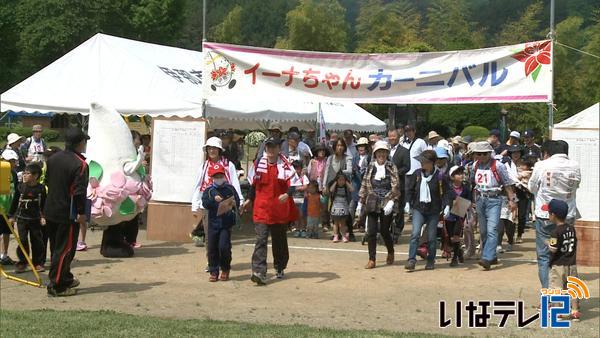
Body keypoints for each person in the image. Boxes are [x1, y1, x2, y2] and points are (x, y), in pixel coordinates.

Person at [243, 136, 298, 285]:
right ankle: (259, 271)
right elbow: (253, 185)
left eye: (273, 147)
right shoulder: (258, 164)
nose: (271, 150)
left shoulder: (285, 165)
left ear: (279, 148)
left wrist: (287, 194)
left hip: (279, 210)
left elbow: (293, 184)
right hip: (261, 208)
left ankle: (280, 266)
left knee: (279, 240)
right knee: (261, 239)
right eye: (268, 147)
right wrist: (249, 199)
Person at [529, 140, 580, 289]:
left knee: (545, 256)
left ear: (547, 152)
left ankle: (549, 297)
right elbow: (577, 185)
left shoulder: (541, 165)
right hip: (567, 216)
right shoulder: (575, 165)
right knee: (565, 256)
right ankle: (565, 295)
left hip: (546, 216)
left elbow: (532, 187)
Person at [45, 128, 90, 297]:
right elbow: (79, 191)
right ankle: (57, 286)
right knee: (64, 250)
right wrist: (81, 212)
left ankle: (64, 277)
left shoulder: (53, 158)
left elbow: (48, 180)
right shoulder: (80, 164)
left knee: (57, 248)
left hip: (51, 208)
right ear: (79, 143)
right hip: (67, 212)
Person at [470, 142, 517, 270]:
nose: (481, 156)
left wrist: (512, 200)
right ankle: (492, 256)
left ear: (489, 153)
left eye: (484, 153)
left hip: (494, 199)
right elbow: (472, 183)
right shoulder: (475, 166)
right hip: (480, 199)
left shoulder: (499, 166)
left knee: (492, 230)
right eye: (478, 154)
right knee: (483, 231)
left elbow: (507, 184)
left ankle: (486, 258)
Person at [191, 137, 244, 248]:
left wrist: (240, 201)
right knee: (210, 237)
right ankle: (211, 263)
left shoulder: (228, 166)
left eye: (214, 148)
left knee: (224, 236)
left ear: (219, 150)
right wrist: (195, 205)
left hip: (225, 205)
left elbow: (234, 183)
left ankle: (223, 261)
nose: (212, 151)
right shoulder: (203, 167)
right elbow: (198, 186)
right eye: (209, 148)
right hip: (208, 206)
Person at [356, 141, 399, 269]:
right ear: (375, 154)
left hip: (387, 200)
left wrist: (391, 201)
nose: (381, 154)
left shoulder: (391, 166)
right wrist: (360, 202)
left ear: (387, 153)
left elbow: (396, 185)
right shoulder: (370, 167)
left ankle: (390, 251)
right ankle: (372, 259)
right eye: (379, 152)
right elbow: (364, 183)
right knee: (371, 231)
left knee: (385, 230)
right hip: (372, 200)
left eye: (384, 152)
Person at [405, 150, 450, 271]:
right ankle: (411, 260)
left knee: (431, 237)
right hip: (419, 208)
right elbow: (409, 189)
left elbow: (446, 193)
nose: (421, 163)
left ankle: (431, 260)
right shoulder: (417, 174)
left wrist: (447, 206)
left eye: (424, 161)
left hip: (434, 210)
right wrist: (407, 202)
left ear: (432, 163)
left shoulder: (440, 176)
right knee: (415, 234)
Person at [202, 163, 240, 282]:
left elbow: (237, 201)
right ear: (212, 177)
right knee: (212, 248)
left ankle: (225, 268)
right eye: (215, 176)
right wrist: (214, 200)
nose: (218, 178)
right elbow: (205, 203)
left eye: (220, 176)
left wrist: (234, 204)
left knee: (224, 247)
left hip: (226, 223)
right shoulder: (209, 190)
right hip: (213, 223)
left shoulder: (230, 188)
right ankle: (214, 270)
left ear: (224, 176)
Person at [546, 199, 580, 321]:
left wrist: (547, 244)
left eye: (549, 213)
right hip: (572, 264)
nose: (548, 215)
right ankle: (575, 312)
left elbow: (553, 249)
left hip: (558, 265)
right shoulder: (571, 228)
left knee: (556, 288)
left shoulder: (555, 232)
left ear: (553, 215)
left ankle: (558, 312)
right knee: (572, 288)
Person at [9, 163, 46, 273]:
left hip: (35, 219)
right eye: (24, 173)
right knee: (23, 240)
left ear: (36, 176)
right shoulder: (20, 187)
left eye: (28, 173)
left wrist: (44, 216)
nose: (24, 175)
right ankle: (23, 262)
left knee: (37, 241)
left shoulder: (41, 189)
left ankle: (37, 263)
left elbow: (44, 204)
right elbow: (15, 201)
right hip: (22, 219)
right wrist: (12, 216)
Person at [445, 165, 472, 267]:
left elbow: (469, 201)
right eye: (458, 174)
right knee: (450, 236)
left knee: (456, 235)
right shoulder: (448, 188)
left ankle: (454, 257)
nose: (461, 175)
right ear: (452, 176)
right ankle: (459, 250)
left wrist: (466, 205)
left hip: (460, 215)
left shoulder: (466, 189)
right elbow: (444, 198)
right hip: (449, 215)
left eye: (462, 173)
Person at [387, 129, 410, 240]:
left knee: (399, 209)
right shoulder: (385, 150)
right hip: (386, 184)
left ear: (398, 137)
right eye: (390, 136)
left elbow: (407, 167)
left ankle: (397, 231)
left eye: (394, 136)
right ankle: (388, 229)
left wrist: (395, 173)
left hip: (399, 184)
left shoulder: (404, 151)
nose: (391, 138)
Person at [402, 125, 428, 214]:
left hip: (417, 171)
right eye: (406, 131)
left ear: (414, 131)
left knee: (417, 191)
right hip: (406, 172)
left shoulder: (421, 142)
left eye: (410, 131)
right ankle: (409, 208)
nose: (408, 133)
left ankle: (416, 210)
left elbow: (426, 155)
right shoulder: (404, 143)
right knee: (407, 191)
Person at [0, 150, 20, 265]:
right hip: (0, 207)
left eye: (13, 161)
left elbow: (16, 191)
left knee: (7, 232)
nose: (12, 163)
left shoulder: (13, 174)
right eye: (10, 161)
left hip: (9, 208)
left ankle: (4, 255)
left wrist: (14, 210)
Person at [307, 144, 330, 230]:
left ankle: (325, 223)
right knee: (313, 205)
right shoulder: (312, 161)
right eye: (320, 151)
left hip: (323, 185)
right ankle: (313, 223)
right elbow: (309, 173)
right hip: (314, 186)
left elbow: (328, 173)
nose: (322, 152)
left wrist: (325, 186)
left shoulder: (327, 161)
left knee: (324, 205)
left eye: (323, 151)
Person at [351, 138, 370, 231]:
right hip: (356, 183)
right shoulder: (355, 157)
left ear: (366, 147)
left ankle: (362, 224)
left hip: (366, 183)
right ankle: (350, 223)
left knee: (365, 205)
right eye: (359, 146)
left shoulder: (369, 157)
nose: (361, 148)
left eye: (363, 146)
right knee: (353, 204)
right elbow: (352, 169)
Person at [328, 171, 353, 243]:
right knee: (335, 223)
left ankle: (344, 236)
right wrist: (335, 182)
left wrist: (347, 182)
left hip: (344, 206)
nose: (341, 182)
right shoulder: (335, 187)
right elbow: (331, 190)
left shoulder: (346, 187)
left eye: (343, 180)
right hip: (336, 206)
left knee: (343, 223)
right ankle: (335, 235)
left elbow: (352, 189)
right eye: (340, 180)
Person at [290, 160, 309, 238]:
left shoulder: (303, 177)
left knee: (302, 215)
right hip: (294, 199)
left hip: (302, 199)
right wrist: (298, 188)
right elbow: (290, 187)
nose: (297, 170)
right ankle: (297, 229)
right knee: (296, 216)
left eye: (298, 168)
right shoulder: (291, 177)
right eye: (295, 168)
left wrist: (297, 188)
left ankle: (303, 229)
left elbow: (305, 186)